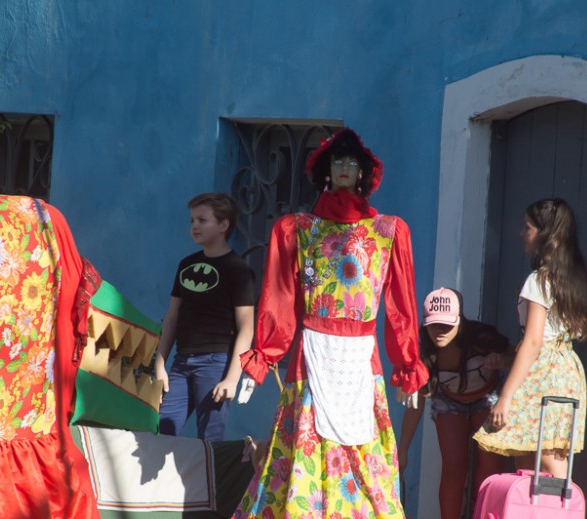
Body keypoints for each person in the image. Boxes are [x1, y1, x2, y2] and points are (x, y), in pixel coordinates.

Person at [233, 128, 426, 518]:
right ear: (327, 169)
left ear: (362, 172)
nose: (344, 167)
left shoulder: (389, 232)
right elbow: (279, 297)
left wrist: (407, 364)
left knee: (364, 457)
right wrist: (264, 356)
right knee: (304, 441)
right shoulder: (297, 229)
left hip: (361, 360)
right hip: (312, 356)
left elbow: (401, 305)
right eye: (338, 160)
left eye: (351, 162)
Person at [473, 198, 587, 479]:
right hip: (566, 370)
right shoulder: (573, 280)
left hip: (543, 373)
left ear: (545, 234)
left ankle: (561, 503)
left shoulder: (538, 281)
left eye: (527, 227)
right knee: (534, 452)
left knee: (545, 457)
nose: (521, 233)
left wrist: (505, 397)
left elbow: (534, 342)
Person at [397, 287, 512, 519]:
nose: (440, 331)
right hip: (449, 401)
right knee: (454, 467)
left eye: (447, 324)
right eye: (434, 324)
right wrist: (403, 450)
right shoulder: (425, 352)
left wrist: (501, 360)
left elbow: (517, 357)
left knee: (491, 464)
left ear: (459, 321)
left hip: (487, 398)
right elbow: (417, 402)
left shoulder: (481, 337)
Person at [154, 193, 256, 442]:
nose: (194, 226)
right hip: (181, 363)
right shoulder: (187, 265)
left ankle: (208, 471)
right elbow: (172, 318)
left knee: (209, 439)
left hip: (215, 364)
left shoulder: (238, 270)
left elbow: (246, 328)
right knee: (160, 432)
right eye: (192, 220)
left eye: (202, 220)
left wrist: (232, 379)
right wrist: (159, 364)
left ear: (223, 225)